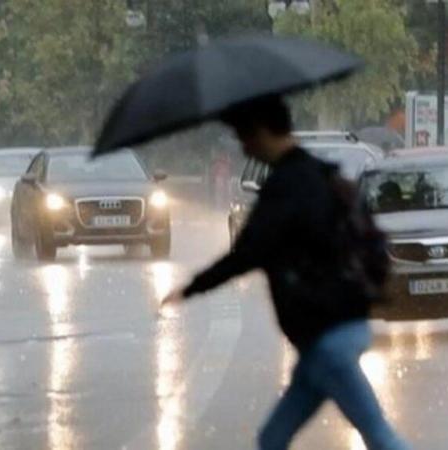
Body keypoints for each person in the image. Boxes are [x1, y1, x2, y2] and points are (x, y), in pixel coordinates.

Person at [161, 96, 409, 450]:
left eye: (246, 137)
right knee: (272, 438)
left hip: (328, 337)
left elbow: (247, 253)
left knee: (379, 436)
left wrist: (191, 288)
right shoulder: (323, 174)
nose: (245, 148)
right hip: (341, 325)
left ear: (262, 132)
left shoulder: (287, 188)